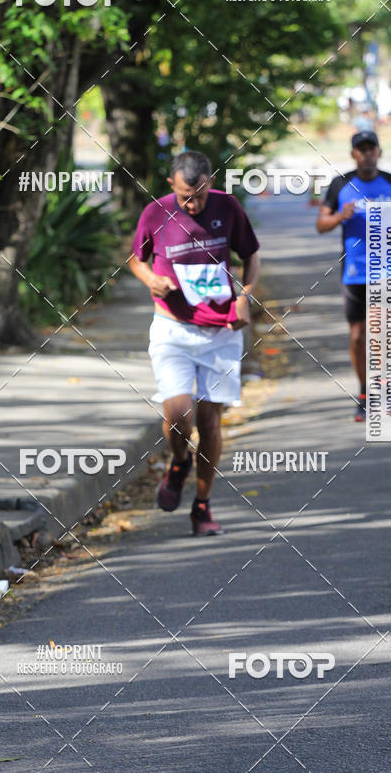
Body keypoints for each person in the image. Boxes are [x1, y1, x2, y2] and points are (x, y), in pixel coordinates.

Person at [129, 151, 260, 535]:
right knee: (178, 414)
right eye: (187, 196)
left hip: (221, 331)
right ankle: (179, 460)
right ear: (172, 185)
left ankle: (202, 507)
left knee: (211, 422)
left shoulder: (227, 206)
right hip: (173, 329)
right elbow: (136, 259)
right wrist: (150, 278)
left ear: (210, 181)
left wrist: (244, 296)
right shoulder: (156, 212)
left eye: (200, 195)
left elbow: (251, 255)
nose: (194, 204)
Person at [316, 131, 391, 421]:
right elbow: (321, 224)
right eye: (361, 150)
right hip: (353, 272)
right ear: (354, 155)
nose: (367, 154)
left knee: (380, 332)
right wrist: (340, 216)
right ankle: (363, 392)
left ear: (379, 152)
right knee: (358, 335)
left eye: (371, 149)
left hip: (384, 269)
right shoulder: (341, 184)